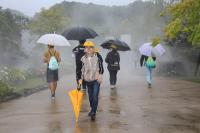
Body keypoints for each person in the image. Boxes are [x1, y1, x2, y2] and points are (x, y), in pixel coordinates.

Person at [77, 41, 104, 121]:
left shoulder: (97, 56)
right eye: (86, 47)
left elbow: (101, 67)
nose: (88, 49)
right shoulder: (82, 59)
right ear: (84, 49)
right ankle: (92, 108)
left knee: (95, 96)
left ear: (93, 49)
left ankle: (93, 112)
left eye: (90, 47)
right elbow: (81, 70)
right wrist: (80, 79)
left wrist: (100, 76)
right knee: (91, 97)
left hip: (96, 80)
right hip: (88, 80)